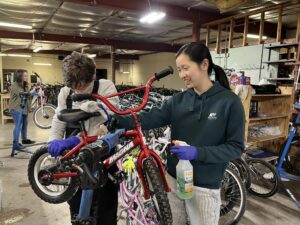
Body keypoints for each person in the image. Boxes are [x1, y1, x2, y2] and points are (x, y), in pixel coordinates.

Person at [114, 42, 245, 225]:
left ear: (204, 64)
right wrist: (114, 119)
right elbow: (148, 118)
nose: (182, 75)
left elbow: (236, 148)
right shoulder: (178, 100)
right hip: (174, 181)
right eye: (179, 69)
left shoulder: (229, 102)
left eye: (185, 68)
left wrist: (197, 152)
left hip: (204, 187)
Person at [47, 51, 119, 225]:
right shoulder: (65, 93)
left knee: (105, 212)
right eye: (74, 86)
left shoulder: (106, 87)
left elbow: (107, 124)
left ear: (93, 75)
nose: (78, 89)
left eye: (82, 85)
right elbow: (59, 119)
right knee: (78, 211)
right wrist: (54, 141)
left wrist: (78, 140)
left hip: (103, 159)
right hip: (76, 162)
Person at [9, 69, 35, 145]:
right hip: (16, 108)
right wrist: (32, 92)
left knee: (24, 125)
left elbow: (28, 97)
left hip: (23, 109)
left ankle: (24, 139)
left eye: (27, 76)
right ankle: (15, 142)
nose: (27, 77)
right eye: (25, 76)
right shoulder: (14, 85)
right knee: (18, 125)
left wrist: (34, 91)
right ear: (20, 76)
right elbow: (23, 94)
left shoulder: (25, 84)